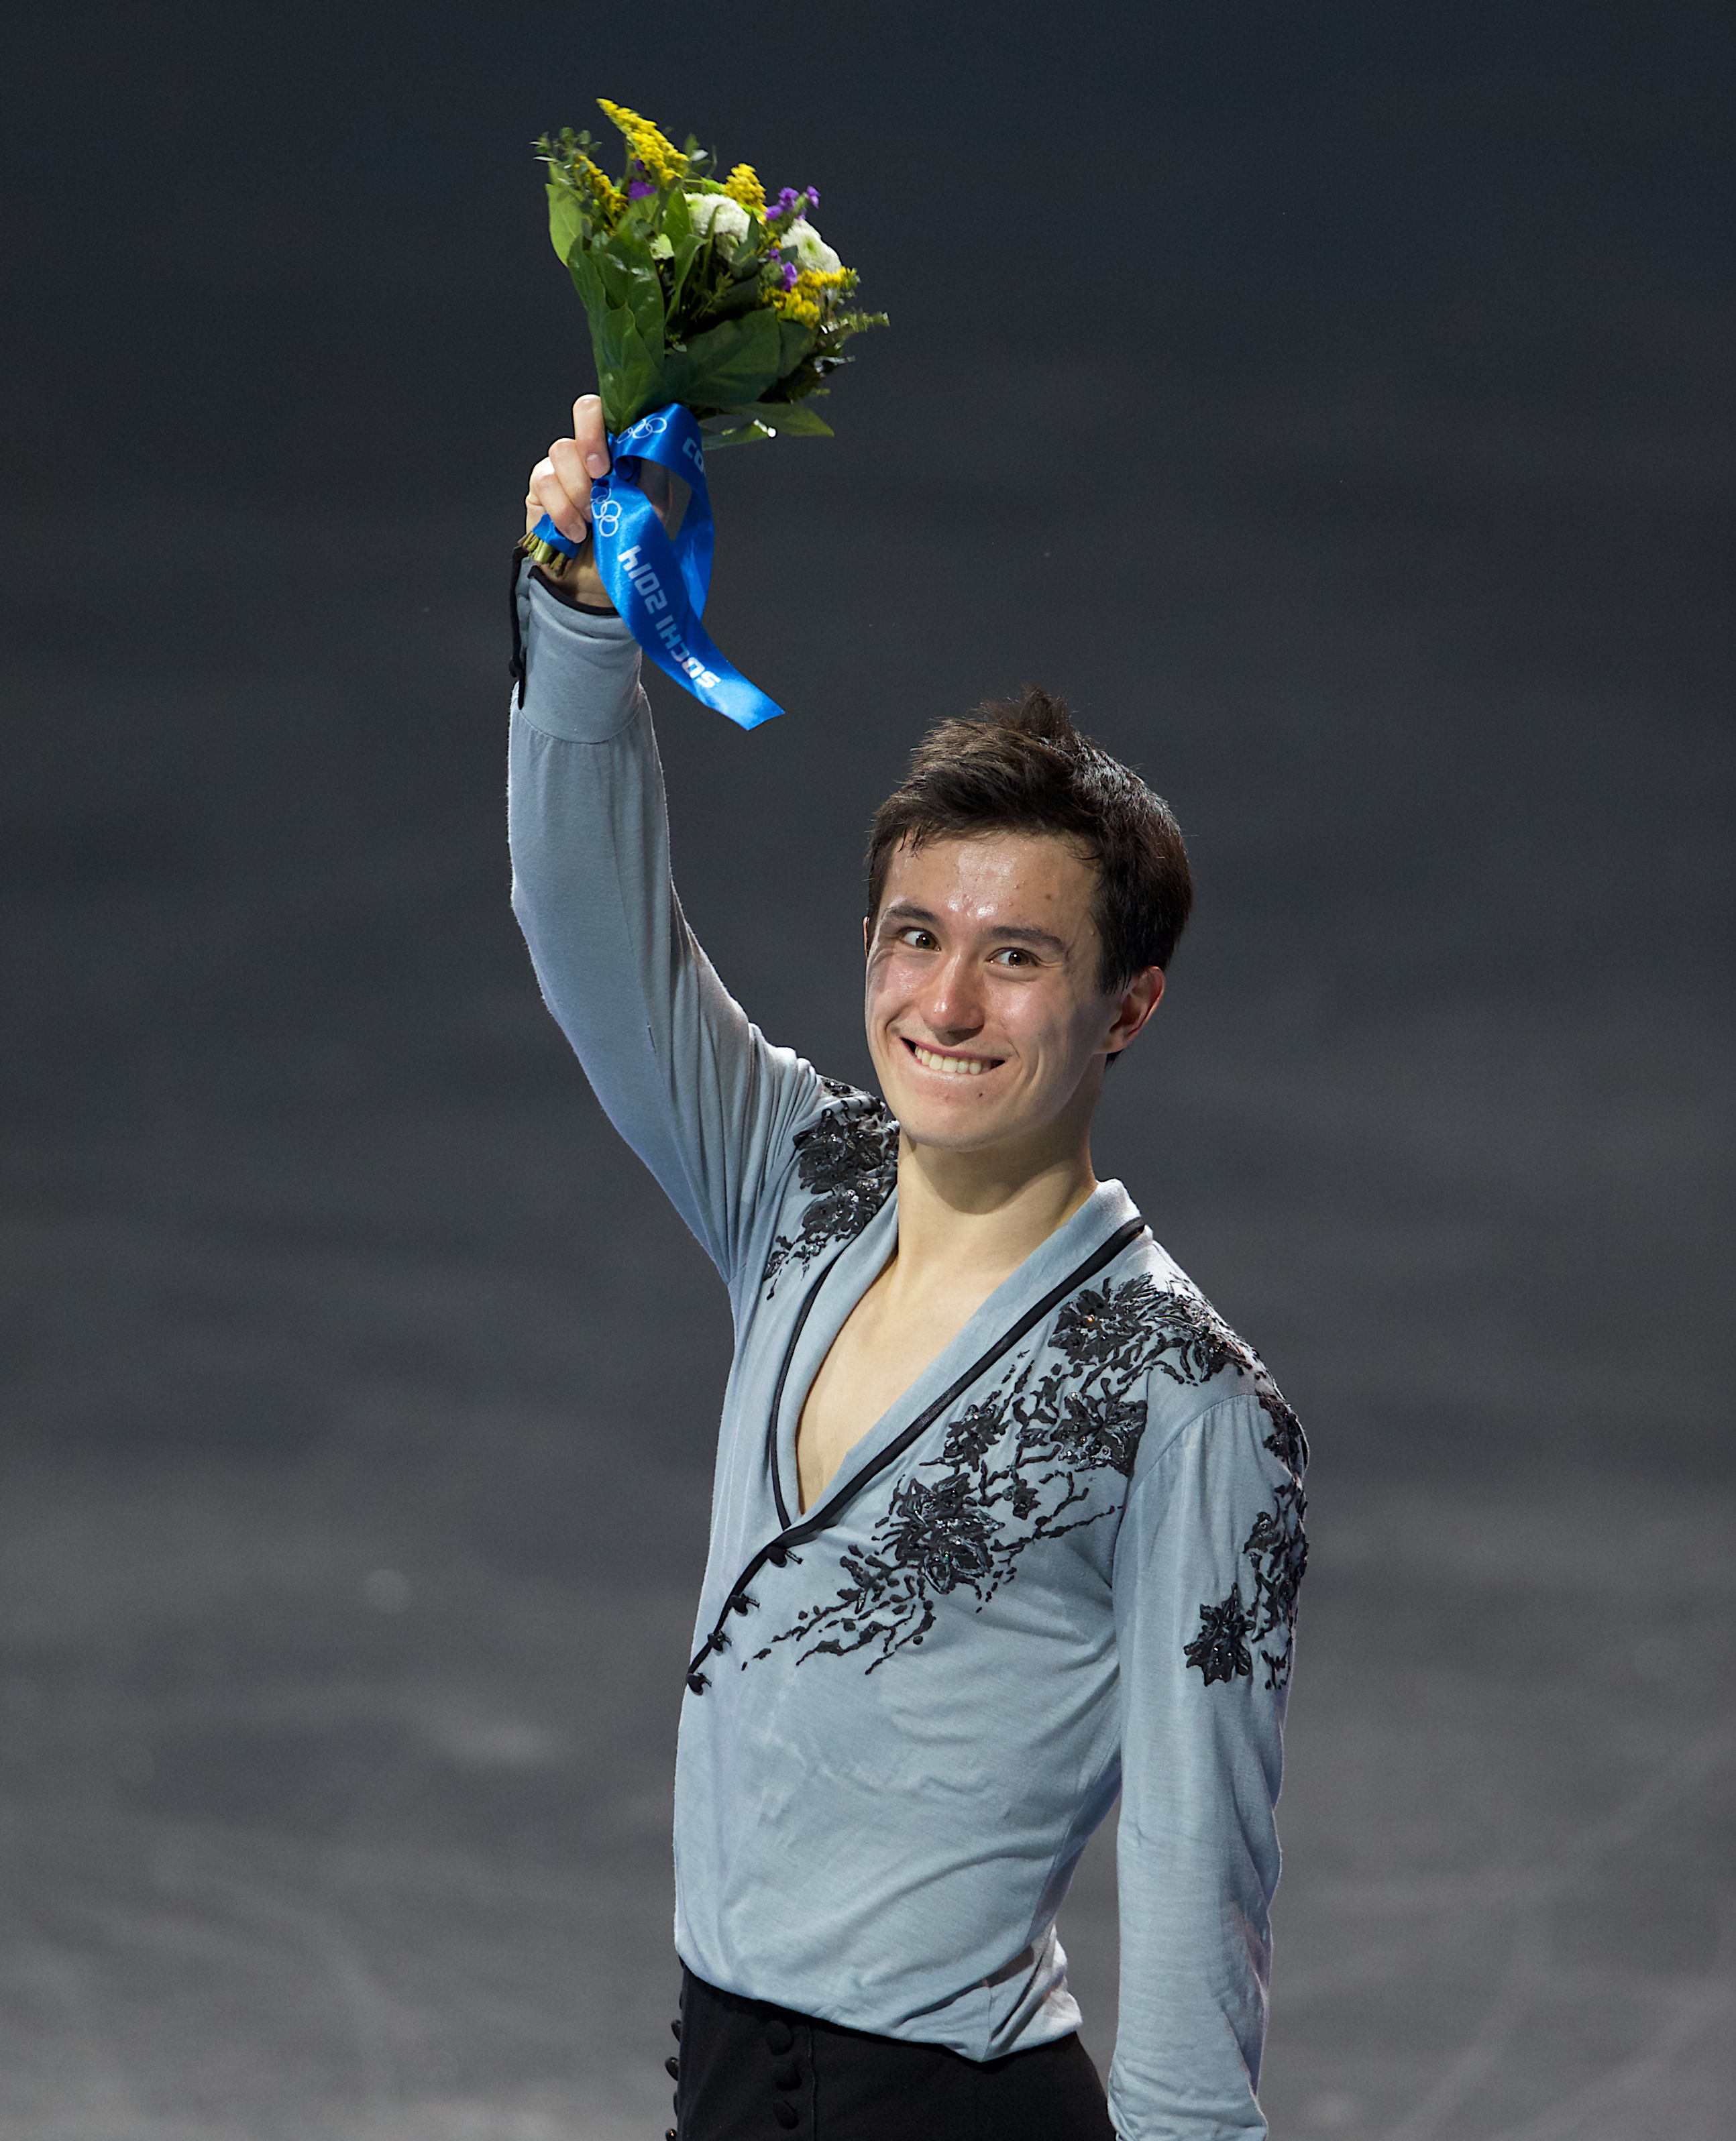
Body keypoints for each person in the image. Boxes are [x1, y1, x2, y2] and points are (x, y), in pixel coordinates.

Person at [510, 394, 1307, 2141]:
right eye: (914, 938)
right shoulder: (796, 1177)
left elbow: (1196, 1872)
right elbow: (596, 945)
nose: (942, 1006)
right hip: (727, 2082)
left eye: (1016, 957)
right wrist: (580, 625)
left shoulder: (1185, 1405)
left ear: (1128, 1004)